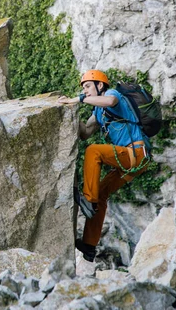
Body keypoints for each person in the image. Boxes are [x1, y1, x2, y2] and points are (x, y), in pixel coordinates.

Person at [58, 70, 150, 262]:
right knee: (102, 194)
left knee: (94, 151)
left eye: (88, 86)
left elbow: (109, 103)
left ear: (100, 86)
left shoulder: (113, 94)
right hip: (133, 163)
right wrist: (70, 113)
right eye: (83, 88)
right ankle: (89, 246)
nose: (85, 90)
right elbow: (85, 132)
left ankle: (88, 201)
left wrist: (79, 99)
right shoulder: (98, 111)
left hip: (135, 153)